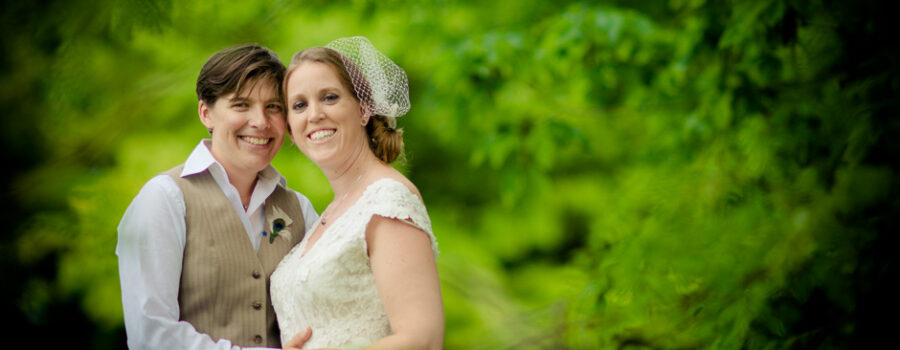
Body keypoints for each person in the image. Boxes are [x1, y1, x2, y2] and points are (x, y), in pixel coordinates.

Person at [117, 44, 319, 349]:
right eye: (241, 105)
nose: (261, 122)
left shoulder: (299, 208)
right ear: (206, 113)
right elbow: (151, 333)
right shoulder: (165, 198)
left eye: (274, 107)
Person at [271, 36, 444, 349]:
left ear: (364, 109)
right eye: (299, 105)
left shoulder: (388, 201)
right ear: (291, 131)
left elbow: (423, 339)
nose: (314, 114)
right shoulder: (330, 214)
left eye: (329, 97)